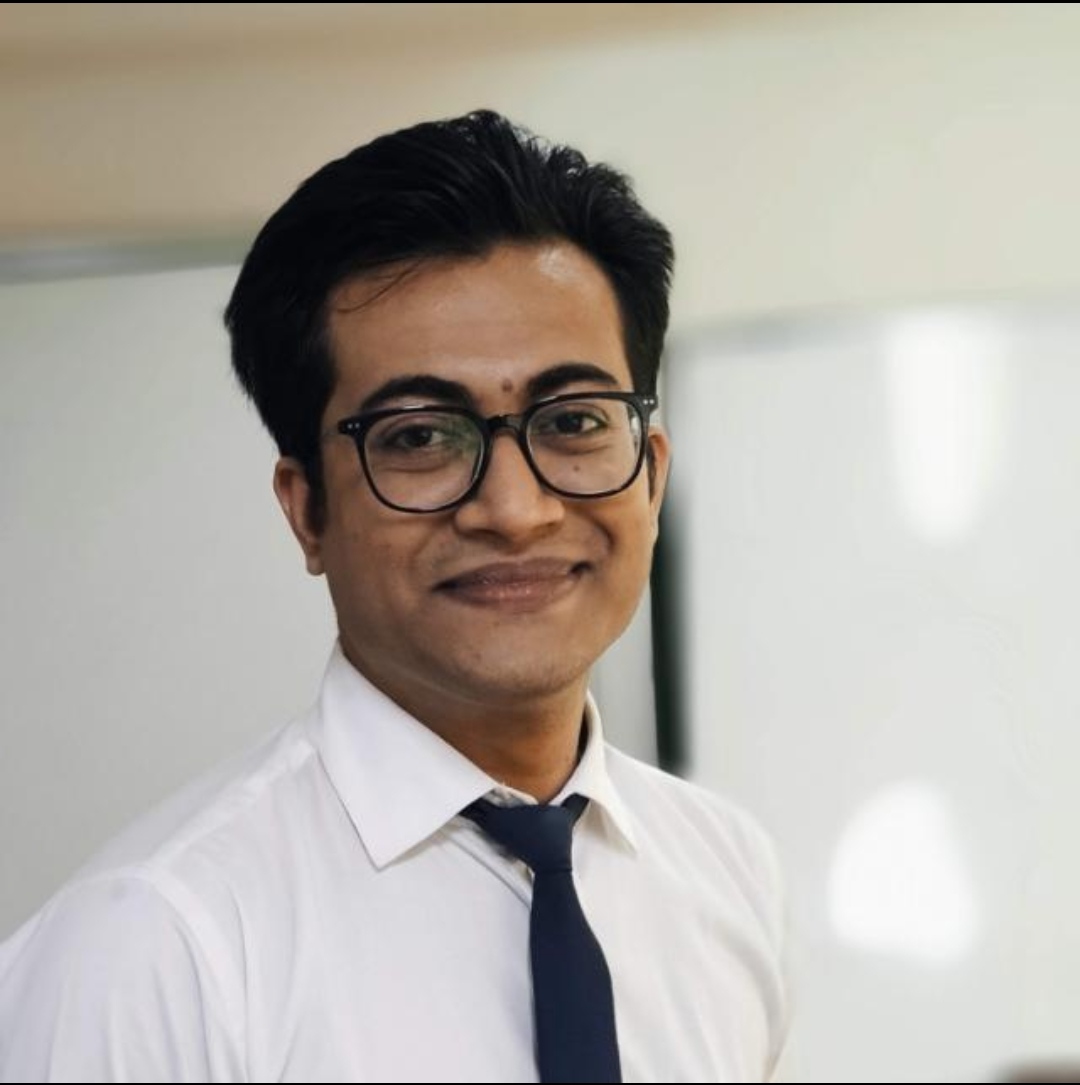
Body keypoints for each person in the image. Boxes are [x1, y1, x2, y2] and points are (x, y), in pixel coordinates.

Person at [0, 111, 788, 1082]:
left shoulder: (725, 871)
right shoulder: (156, 948)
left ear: (652, 475)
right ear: (308, 511)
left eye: (574, 420)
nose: (516, 510)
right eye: (418, 436)